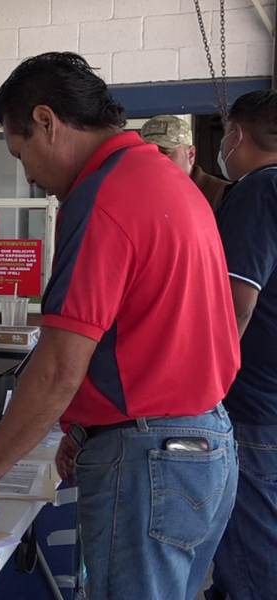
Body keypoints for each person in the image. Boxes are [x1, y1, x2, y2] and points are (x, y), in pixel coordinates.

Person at [0, 52, 240, 600]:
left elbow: (55, 371)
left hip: (149, 463)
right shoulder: (168, 180)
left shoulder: (103, 196)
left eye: (21, 153)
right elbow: (151, 330)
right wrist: (84, 428)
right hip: (204, 447)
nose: (28, 176)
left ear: (47, 122)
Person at [207, 90, 277, 600]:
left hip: (254, 409)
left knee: (251, 560)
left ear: (238, 135)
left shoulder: (257, 192)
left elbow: (235, 307)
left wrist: (200, 392)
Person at [141, 114, 228, 209]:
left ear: (191, 154)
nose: (155, 161)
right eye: (148, 154)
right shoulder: (140, 193)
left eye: (164, 153)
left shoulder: (223, 194)